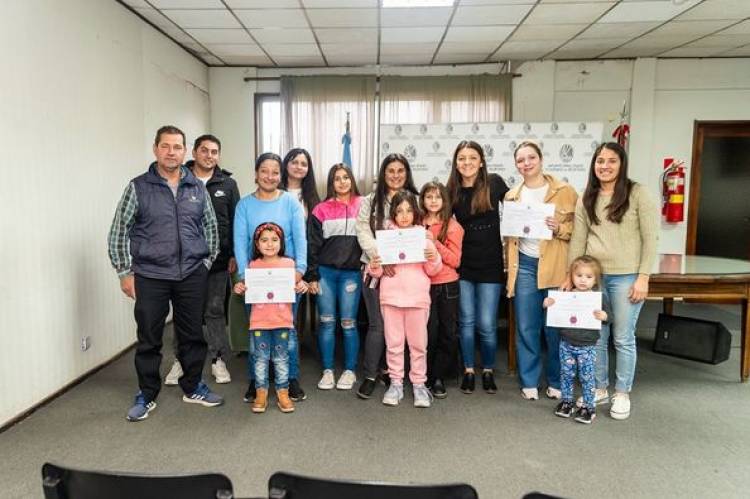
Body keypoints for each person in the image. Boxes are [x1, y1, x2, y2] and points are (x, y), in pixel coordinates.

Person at [108, 125, 223, 422]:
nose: (172, 152)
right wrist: (124, 271)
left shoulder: (196, 186)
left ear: (185, 151)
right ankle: (146, 394)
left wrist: (205, 262)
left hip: (191, 274)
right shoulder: (138, 187)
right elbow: (119, 230)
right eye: (166, 146)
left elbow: (210, 227)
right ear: (156, 149)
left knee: (192, 335)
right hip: (151, 275)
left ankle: (193, 386)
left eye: (177, 147)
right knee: (149, 337)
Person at [568, 142, 658, 420]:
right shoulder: (587, 196)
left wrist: (643, 277)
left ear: (622, 164)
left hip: (627, 276)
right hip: (593, 279)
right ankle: (599, 388)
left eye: (611, 161)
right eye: (599, 161)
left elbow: (651, 237)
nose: (604, 166)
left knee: (622, 337)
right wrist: (569, 277)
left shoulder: (637, 192)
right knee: (597, 336)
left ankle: (622, 392)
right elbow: (578, 240)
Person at [504, 141, 578, 401]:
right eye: (521, 159)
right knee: (526, 326)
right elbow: (510, 239)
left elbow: (578, 233)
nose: (527, 163)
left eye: (531, 157)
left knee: (555, 328)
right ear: (516, 164)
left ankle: (556, 380)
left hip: (555, 266)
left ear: (540, 159)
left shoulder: (565, 191)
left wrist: (559, 228)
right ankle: (529, 381)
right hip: (524, 264)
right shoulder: (512, 195)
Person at [164, 134, 240, 386]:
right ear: (194, 153)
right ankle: (180, 360)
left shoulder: (227, 184)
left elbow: (234, 223)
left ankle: (218, 358)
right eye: (204, 150)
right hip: (184, 262)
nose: (209, 156)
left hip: (217, 262)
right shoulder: (179, 180)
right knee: (185, 313)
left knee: (215, 310)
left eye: (214, 152)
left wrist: (232, 255)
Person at [234, 152, 308, 403]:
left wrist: (300, 271)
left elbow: (300, 239)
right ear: (256, 174)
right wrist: (244, 277)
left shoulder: (290, 203)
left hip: (287, 277)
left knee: (287, 330)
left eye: (275, 171)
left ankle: (291, 378)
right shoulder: (244, 205)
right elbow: (241, 242)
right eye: (264, 171)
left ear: (281, 174)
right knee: (258, 330)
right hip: (255, 279)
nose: (269, 176)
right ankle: (258, 382)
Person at [368, 191, 442, 408]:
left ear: (415, 212)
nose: (404, 215)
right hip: (391, 299)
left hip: (417, 300)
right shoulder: (386, 238)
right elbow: (377, 272)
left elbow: (434, 269)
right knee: (394, 344)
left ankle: (419, 385)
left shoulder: (423, 237)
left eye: (409, 210)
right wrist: (375, 265)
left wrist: (433, 256)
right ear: (393, 213)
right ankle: (396, 383)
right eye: (399, 211)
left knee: (419, 345)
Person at [447, 140, 509, 394]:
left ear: (481, 161)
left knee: (486, 323)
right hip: (463, 265)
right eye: (461, 158)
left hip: (491, 264)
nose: (467, 163)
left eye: (472, 157)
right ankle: (469, 370)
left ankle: (488, 370)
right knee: (466, 321)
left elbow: (521, 206)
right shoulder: (450, 189)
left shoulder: (495, 183)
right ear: (456, 163)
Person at [355, 153, 419, 399]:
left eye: (400, 170)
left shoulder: (414, 200)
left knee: (402, 327)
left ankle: (393, 374)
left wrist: (399, 258)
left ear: (407, 173)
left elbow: (419, 230)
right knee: (378, 325)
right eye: (390, 171)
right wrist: (383, 255)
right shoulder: (370, 201)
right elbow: (362, 230)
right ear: (383, 174)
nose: (395, 175)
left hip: (406, 273)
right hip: (374, 267)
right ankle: (371, 374)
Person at [232, 223, 306, 413]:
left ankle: (283, 392)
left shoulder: (290, 265)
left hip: (282, 322)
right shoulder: (252, 266)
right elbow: (244, 288)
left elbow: (298, 286)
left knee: (282, 359)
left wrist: (301, 286)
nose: (270, 244)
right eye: (264, 240)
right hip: (259, 323)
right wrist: (239, 288)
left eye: (274, 240)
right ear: (257, 245)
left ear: (281, 243)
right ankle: (261, 393)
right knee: (260, 359)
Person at [306, 164, 363, 390]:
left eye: (346, 177)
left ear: (352, 180)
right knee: (326, 322)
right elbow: (312, 245)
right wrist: (311, 276)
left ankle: (349, 371)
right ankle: (328, 370)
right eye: (337, 178)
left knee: (348, 323)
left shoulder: (364, 205)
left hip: (352, 274)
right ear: (331, 183)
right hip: (325, 274)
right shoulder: (321, 209)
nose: (342, 182)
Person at [544, 256, 610, 424]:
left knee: (587, 378)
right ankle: (567, 402)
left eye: (588, 277)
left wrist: (604, 316)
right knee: (566, 374)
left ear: (595, 279)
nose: (583, 280)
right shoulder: (564, 295)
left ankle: (588, 407)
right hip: (566, 343)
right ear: (572, 276)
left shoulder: (598, 298)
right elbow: (553, 313)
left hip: (587, 346)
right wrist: (548, 303)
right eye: (579, 275)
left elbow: (609, 318)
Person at [420, 181, 464, 398]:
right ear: (423, 200)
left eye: (438, 197)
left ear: (445, 201)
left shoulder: (453, 226)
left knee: (448, 332)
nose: (434, 201)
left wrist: (435, 243)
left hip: (447, 285)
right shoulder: (416, 223)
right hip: (422, 285)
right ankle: (424, 374)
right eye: (429, 197)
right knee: (428, 332)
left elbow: (455, 260)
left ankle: (439, 376)